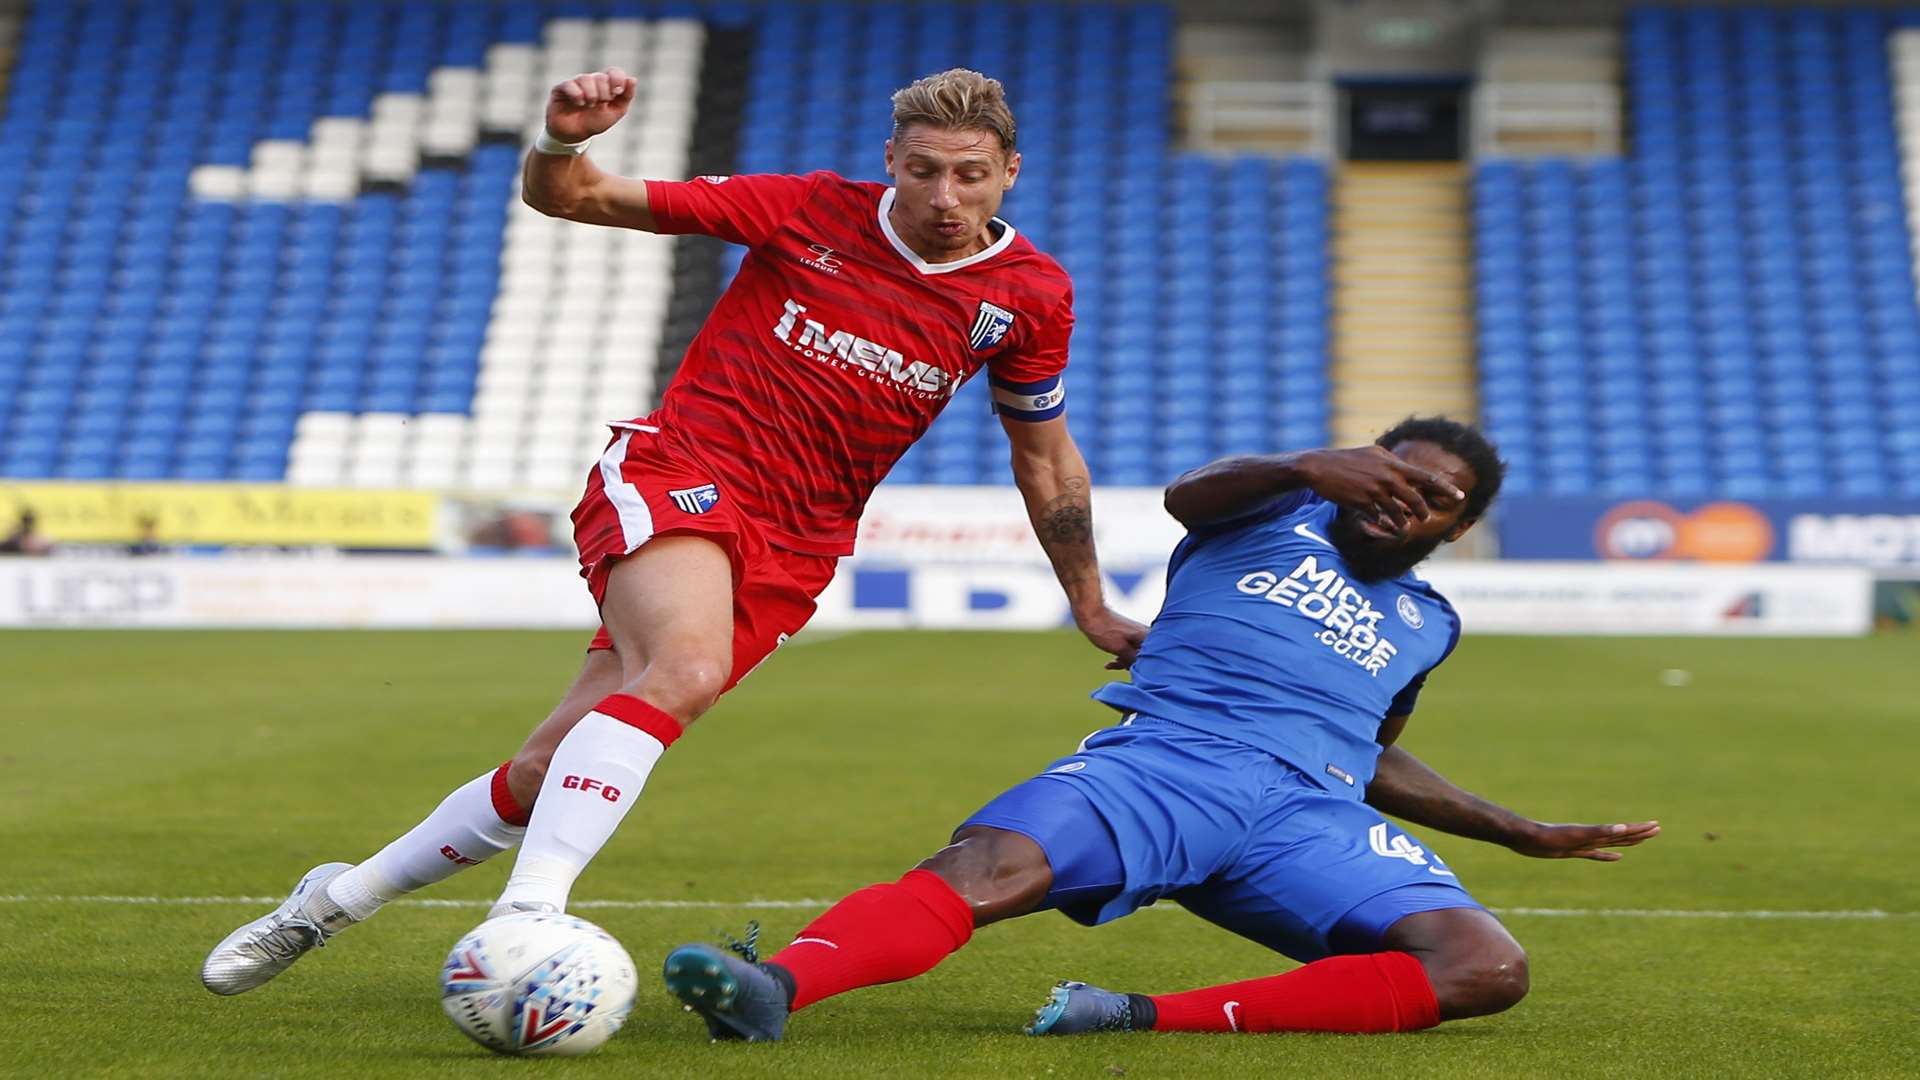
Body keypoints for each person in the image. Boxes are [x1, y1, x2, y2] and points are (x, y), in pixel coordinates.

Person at [200, 68, 1146, 995]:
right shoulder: (807, 209)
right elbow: (574, 197)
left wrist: (1089, 601)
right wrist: (564, 138)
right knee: (684, 671)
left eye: (970, 174)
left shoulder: (1029, 294)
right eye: (925, 169)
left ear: (1009, 172)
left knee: (546, 766)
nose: (946, 195)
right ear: (890, 159)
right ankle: (525, 919)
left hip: (801, 537)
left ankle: (327, 904)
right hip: (681, 470)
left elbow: (1046, 458)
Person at [660, 418, 1661, 1042]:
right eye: (1394, 473)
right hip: (1169, 765)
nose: (1405, 498)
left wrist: (1516, 829)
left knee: (1485, 969)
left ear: (1458, 527)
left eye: (1435, 498)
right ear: (1360, 469)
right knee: (985, 869)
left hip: (1309, 815)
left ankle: (1134, 1016)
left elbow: (1373, 750)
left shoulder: (1429, 622)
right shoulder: (1271, 513)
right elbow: (1190, 494)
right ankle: (773, 987)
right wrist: (1308, 466)